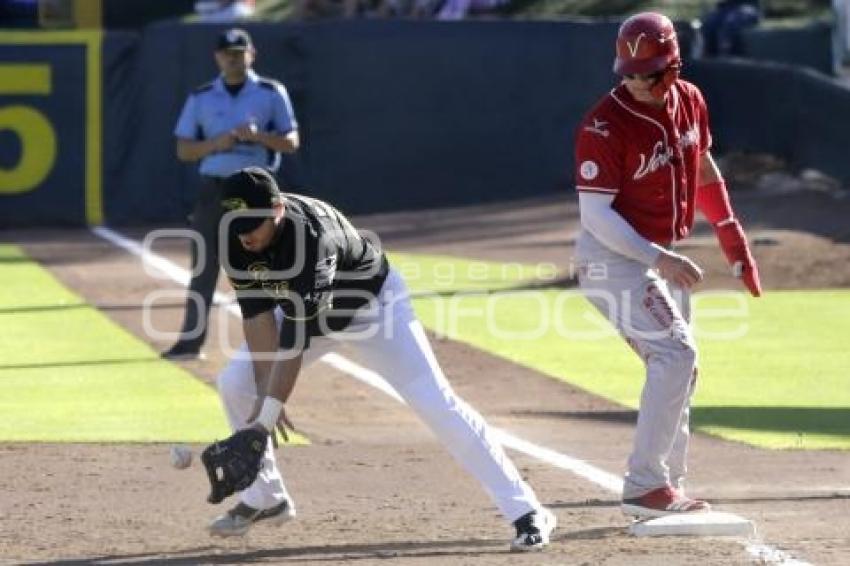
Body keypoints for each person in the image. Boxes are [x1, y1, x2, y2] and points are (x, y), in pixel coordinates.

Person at [204, 167, 556, 551]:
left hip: (374, 311)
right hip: (306, 315)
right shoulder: (234, 237)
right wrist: (262, 394)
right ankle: (265, 498)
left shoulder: (312, 238)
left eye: (252, 225)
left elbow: (293, 338)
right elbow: (257, 317)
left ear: (276, 210)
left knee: (436, 404)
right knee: (236, 383)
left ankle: (527, 511)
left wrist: (266, 415)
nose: (245, 236)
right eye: (237, 225)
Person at [573, 12, 762, 518]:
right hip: (612, 258)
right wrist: (659, 258)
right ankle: (644, 486)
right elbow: (595, 215)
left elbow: (700, 164)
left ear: (674, 67)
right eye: (629, 72)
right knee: (675, 356)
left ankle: (667, 485)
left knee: (684, 366)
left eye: (649, 72)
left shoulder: (691, 100)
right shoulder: (604, 124)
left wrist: (729, 232)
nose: (637, 82)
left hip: (658, 256)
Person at [164, 28, 300, 360]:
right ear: (217, 57)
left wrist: (259, 137)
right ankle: (191, 340)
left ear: (251, 54)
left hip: (256, 188)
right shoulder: (201, 96)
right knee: (204, 265)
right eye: (227, 53)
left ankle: (285, 336)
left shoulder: (270, 92)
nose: (233, 58)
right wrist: (216, 143)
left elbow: (292, 141)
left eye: (239, 52)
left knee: (267, 266)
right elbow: (183, 149)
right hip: (215, 188)